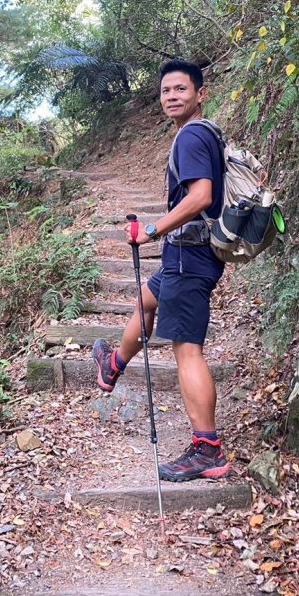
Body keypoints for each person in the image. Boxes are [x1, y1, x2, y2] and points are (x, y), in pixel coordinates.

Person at [92, 58, 230, 482]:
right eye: (166, 91)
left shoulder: (190, 137)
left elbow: (201, 196)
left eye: (181, 89)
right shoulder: (209, 134)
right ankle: (113, 363)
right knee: (145, 299)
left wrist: (150, 230)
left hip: (189, 256)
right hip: (188, 255)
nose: (172, 96)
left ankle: (207, 449)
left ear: (200, 94)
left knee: (187, 350)